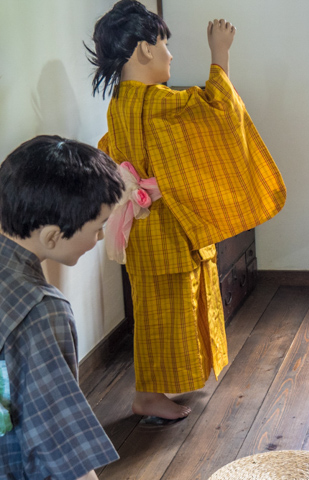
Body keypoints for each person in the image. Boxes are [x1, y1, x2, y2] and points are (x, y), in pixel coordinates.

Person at [86, 0, 286, 421]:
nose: (170, 54)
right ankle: (148, 395)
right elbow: (219, 114)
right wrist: (220, 55)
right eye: (163, 44)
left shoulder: (120, 102)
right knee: (168, 308)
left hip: (141, 226)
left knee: (154, 308)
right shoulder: (157, 101)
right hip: (165, 225)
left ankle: (151, 390)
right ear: (143, 50)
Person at [0, 135, 124, 480]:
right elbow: (56, 434)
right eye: (97, 228)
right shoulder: (41, 310)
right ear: (53, 236)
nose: (99, 239)